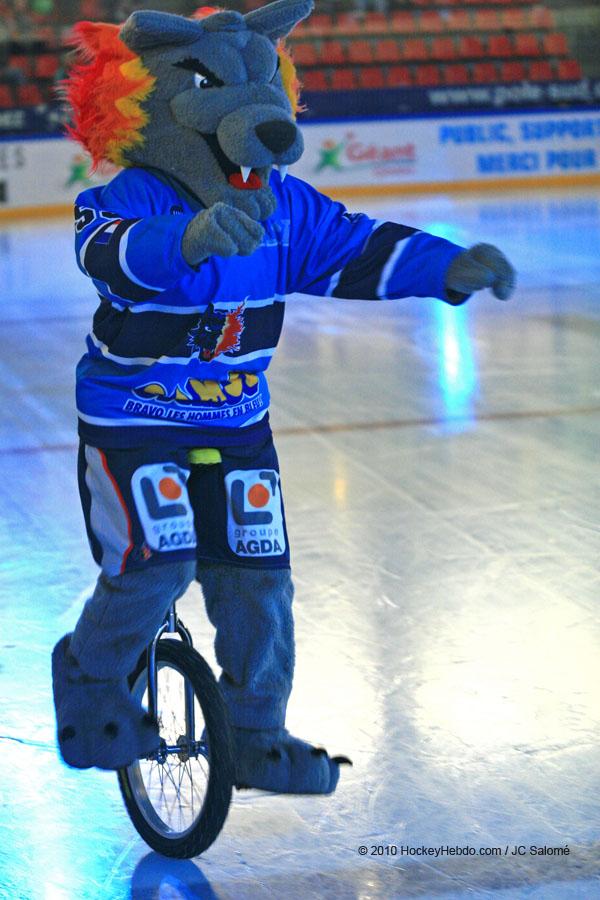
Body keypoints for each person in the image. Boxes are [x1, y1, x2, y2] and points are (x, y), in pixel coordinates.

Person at [52, 0, 515, 794]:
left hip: (237, 423)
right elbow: (108, 254)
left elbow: (355, 247)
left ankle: (256, 730)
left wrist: (445, 266)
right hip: (132, 419)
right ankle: (92, 684)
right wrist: (186, 240)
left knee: (259, 580)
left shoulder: (284, 205)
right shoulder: (131, 195)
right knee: (155, 565)